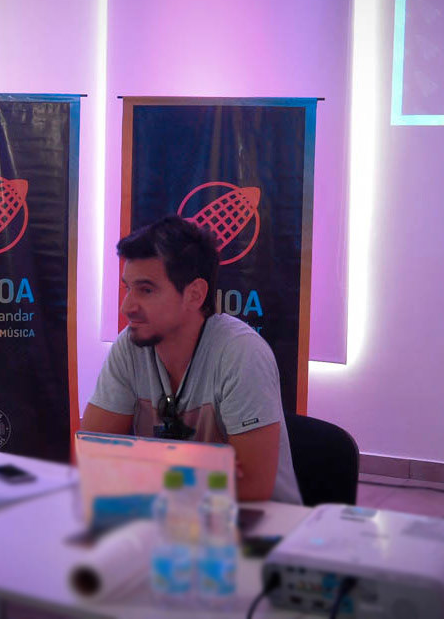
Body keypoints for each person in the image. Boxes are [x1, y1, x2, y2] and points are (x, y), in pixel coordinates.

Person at [81, 215, 301, 504]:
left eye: (146, 290)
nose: (127, 306)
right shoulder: (130, 346)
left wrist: (138, 472)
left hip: (259, 522)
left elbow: (252, 487)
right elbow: (94, 455)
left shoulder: (241, 353)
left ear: (195, 295)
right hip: (171, 516)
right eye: (127, 288)